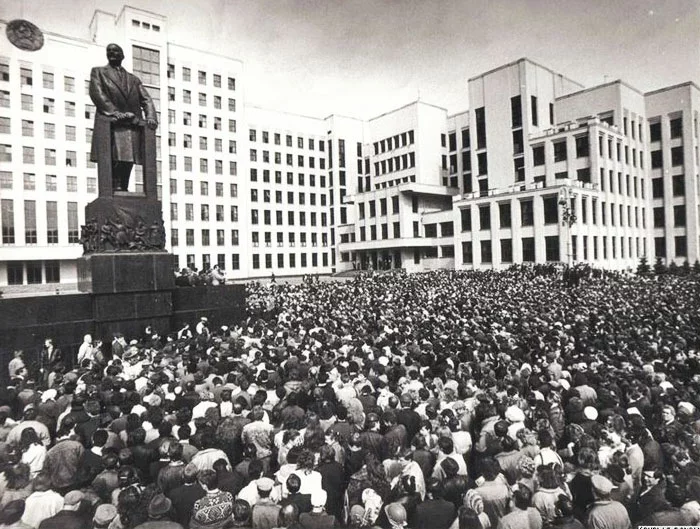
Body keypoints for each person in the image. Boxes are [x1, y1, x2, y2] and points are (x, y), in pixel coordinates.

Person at [89, 43, 158, 192]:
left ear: (122, 55)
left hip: (131, 125)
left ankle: (123, 188)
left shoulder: (133, 79)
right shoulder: (98, 72)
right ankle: (115, 188)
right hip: (112, 124)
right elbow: (97, 93)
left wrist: (151, 116)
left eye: (115, 51)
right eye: (109, 51)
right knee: (113, 157)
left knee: (128, 158)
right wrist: (114, 112)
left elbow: (146, 99)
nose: (112, 53)